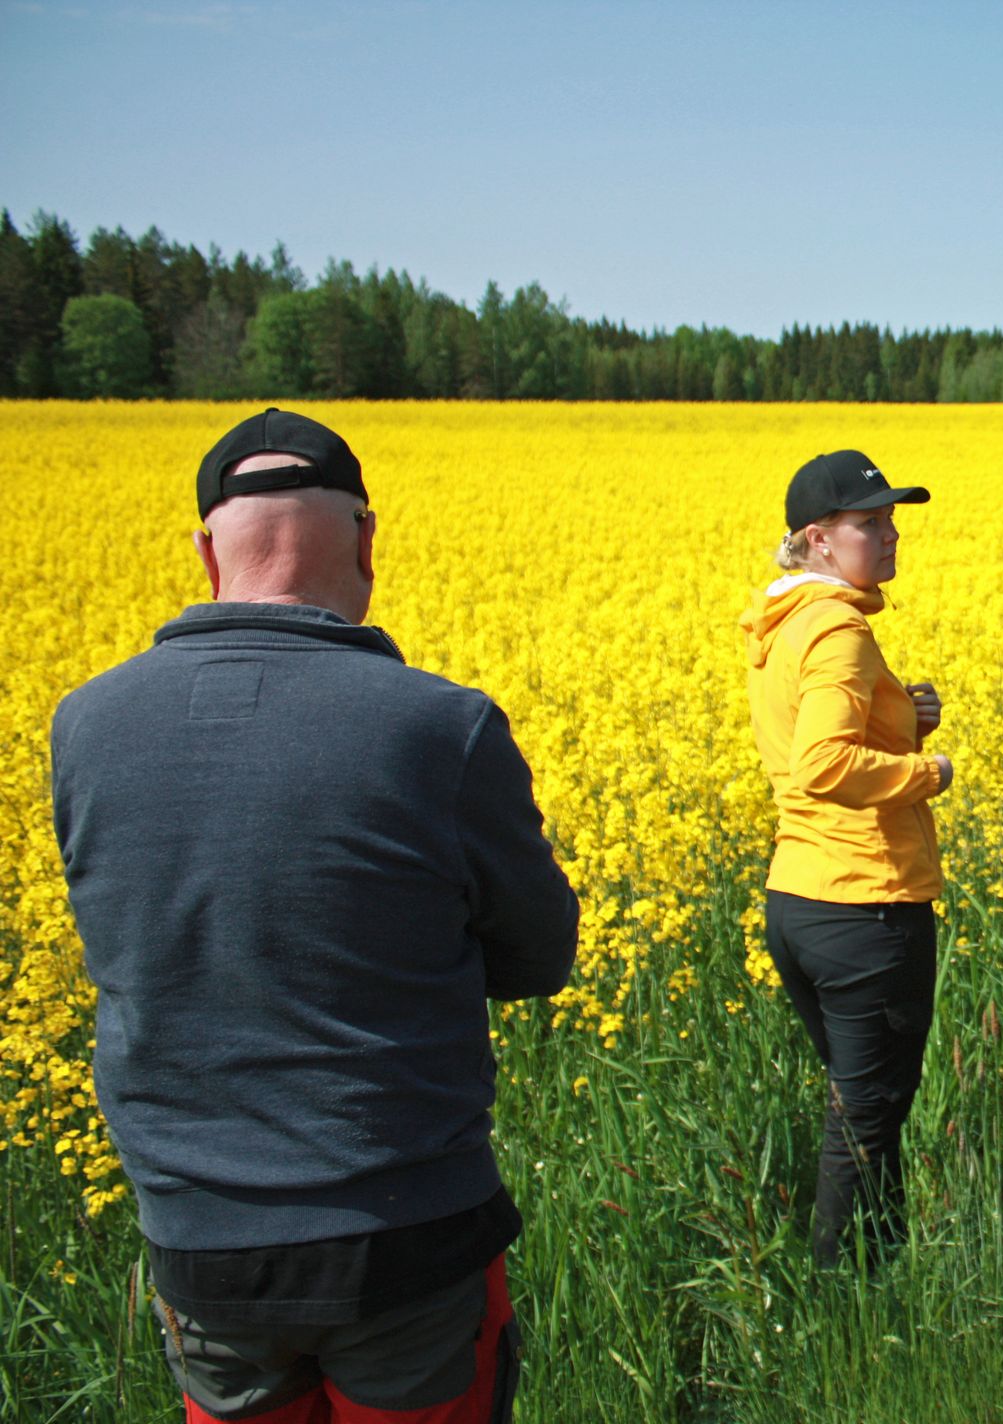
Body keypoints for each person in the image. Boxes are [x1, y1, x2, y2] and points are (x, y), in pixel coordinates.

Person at [50, 407, 579, 1423]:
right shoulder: (440, 725)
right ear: (366, 538)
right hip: (406, 1229)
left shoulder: (87, 723)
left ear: (207, 550)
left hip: (199, 1240)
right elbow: (540, 955)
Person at [740, 449, 952, 1271]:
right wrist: (926, 772)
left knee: (865, 1107)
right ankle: (839, 1302)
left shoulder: (783, 623)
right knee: (864, 1117)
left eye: (891, 518)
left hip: (801, 898)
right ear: (817, 540)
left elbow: (812, 739)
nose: (890, 534)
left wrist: (908, 723)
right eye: (870, 523)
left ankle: (881, 1273)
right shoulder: (837, 630)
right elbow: (823, 764)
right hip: (865, 902)